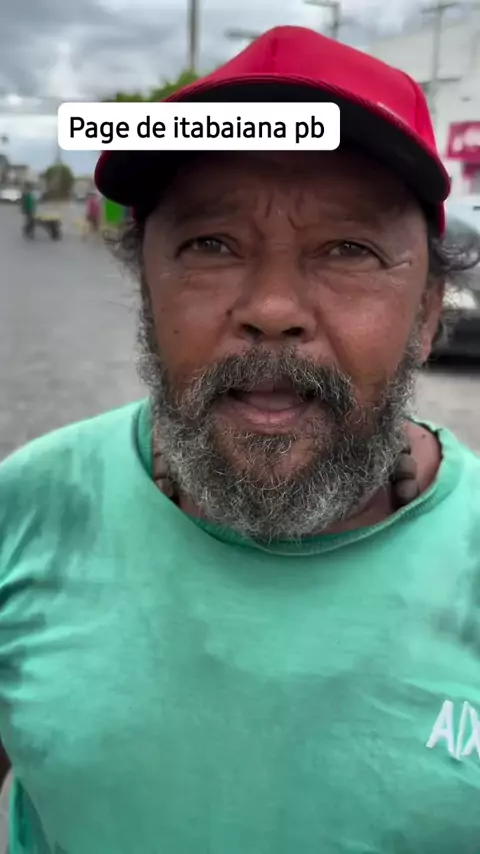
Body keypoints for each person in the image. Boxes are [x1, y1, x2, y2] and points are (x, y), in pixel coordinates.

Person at [0, 25, 480, 854]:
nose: (271, 307)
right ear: (147, 289)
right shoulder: (27, 510)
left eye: (349, 249)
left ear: (428, 314)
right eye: (211, 244)